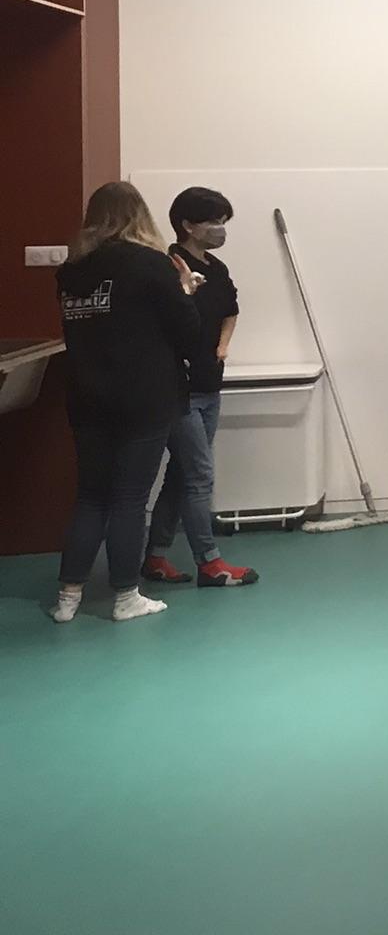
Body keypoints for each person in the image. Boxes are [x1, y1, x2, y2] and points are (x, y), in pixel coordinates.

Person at [50, 183, 209, 623]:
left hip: (86, 398)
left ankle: (67, 598)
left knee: (90, 497)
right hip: (143, 398)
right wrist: (185, 290)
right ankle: (125, 596)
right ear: (139, 214)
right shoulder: (150, 263)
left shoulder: (70, 271)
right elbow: (188, 334)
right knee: (129, 498)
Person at [141, 186, 258, 589]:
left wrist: (223, 346)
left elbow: (231, 310)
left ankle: (156, 556)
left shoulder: (218, 269)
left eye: (224, 221)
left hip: (210, 384)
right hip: (180, 389)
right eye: (213, 221)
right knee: (199, 474)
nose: (220, 228)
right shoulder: (169, 267)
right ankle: (210, 563)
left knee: (182, 473)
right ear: (188, 225)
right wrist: (185, 289)